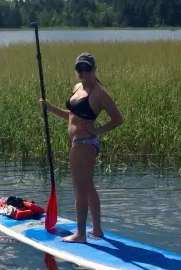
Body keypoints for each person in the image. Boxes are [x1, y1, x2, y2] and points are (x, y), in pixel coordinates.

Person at [39, 52, 123, 243]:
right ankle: (97, 230)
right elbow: (71, 115)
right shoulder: (78, 87)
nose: (83, 72)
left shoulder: (99, 93)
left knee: (79, 188)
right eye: (80, 68)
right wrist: (50, 108)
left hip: (85, 144)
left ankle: (81, 234)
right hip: (78, 142)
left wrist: (97, 130)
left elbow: (118, 119)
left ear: (94, 69)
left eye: (87, 68)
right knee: (88, 186)